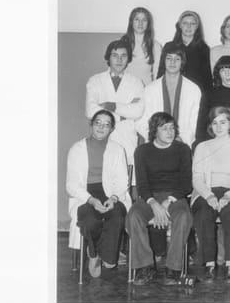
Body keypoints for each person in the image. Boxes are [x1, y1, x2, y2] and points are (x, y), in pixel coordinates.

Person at [126, 112, 193, 286]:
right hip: (150, 196)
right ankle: (145, 267)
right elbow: (142, 184)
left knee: (183, 217)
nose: (170, 132)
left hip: (175, 196)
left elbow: (186, 183)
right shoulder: (142, 151)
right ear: (154, 130)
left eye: (172, 128)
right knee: (133, 217)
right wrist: (154, 203)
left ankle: (173, 269)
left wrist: (169, 200)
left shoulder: (183, 149)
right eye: (164, 128)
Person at [66, 109, 131, 277]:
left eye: (106, 124)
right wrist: (92, 200)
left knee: (117, 216)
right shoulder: (76, 149)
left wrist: (114, 198)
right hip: (85, 195)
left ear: (112, 129)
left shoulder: (117, 149)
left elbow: (122, 180)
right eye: (98, 123)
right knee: (90, 221)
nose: (101, 127)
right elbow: (71, 184)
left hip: (111, 193)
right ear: (91, 124)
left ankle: (107, 255)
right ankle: (93, 254)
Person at [191, 107, 230, 281]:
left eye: (223, 122)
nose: (218, 127)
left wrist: (228, 196)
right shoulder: (202, 147)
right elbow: (197, 178)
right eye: (214, 123)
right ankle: (209, 263)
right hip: (204, 192)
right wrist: (208, 196)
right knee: (203, 213)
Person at [85, 39, 144, 163]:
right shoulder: (95, 81)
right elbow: (90, 111)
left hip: (127, 139)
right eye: (115, 56)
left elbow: (137, 112)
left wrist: (109, 105)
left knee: (127, 172)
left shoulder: (137, 82)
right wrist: (123, 116)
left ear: (128, 59)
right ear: (108, 57)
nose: (119, 60)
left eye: (123, 56)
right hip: (102, 138)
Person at [137, 45, 202, 147]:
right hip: (155, 144)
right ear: (164, 61)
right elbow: (142, 121)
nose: (173, 62)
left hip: (182, 144)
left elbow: (195, 122)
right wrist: (157, 138)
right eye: (169, 58)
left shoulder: (193, 90)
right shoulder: (150, 89)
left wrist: (182, 139)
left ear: (182, 62)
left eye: (177, 59)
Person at [196, 56, 230, 149]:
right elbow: (201, 127)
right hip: (210, 145)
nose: (227, 74)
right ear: (218, 74)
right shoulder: (208, 95)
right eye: (222, 70)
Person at [157, 10, 212, 92]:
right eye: (185, 23)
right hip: (172, 91)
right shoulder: (169, 46)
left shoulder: (204, 49)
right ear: (180, 25)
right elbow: (161, 72)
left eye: (192, 23)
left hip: (195, 93)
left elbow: (207, 79)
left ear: (197, 27)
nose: (188, 26)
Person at [120, 7, 162, 86]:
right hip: (125, 88)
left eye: (144, 20)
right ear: (131, 22)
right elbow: (114, 70)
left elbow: (157, 74)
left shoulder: (156, 46)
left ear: (148, 23)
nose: (140, 23)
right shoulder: (122, 42)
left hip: (146, 90)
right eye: (137, 19)